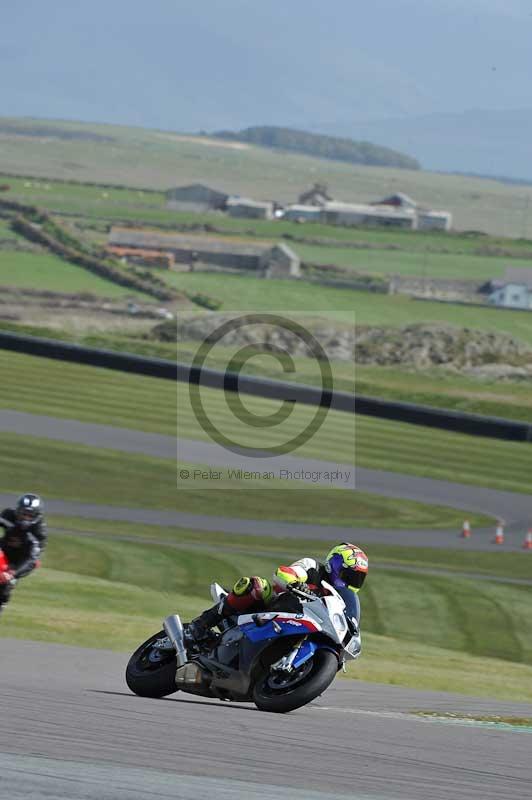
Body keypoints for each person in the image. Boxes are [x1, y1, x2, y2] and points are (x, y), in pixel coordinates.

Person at [187, 542, 368, 642]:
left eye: (356, 579)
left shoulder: (341, 599)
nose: (351, 582)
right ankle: (200, 625)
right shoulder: (313, 567)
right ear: (334, 564)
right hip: (272, 607)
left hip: (301, 627)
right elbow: (285, 573)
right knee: (256, 585)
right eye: (349, 575)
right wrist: (296, 584)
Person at [0, 494, 47, 617]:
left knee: (5, 584)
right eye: (23, 513)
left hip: (22, 561)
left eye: (30, 515)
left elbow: (31, 559)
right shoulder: (8, 515)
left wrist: (12, 573)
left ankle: (2, 603)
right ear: (17, 511)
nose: (25, 518)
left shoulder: (38, 532)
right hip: (4, 550)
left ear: (36, 516)